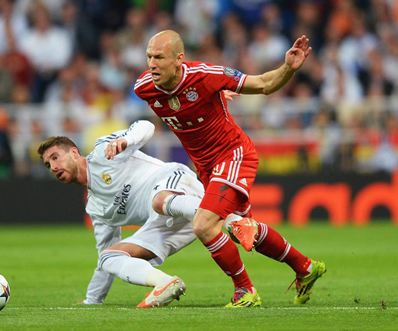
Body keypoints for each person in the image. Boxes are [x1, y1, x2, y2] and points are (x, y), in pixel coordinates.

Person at [134, 30, 326, 307]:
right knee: (241, 229)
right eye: (149, 57)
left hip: (233, 154)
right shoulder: (144, 87)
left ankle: (245, 291)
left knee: (203, 225)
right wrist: (213, 98)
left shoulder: (206, 75)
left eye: (159, 57)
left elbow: (263, 84)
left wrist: (288, 68)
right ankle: (306, 267)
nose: (152, 64)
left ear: (179, 59)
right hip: (206, 168)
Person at [37, 120, 205, 308]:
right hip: (171, 223)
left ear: (74, 153)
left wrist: (127, 139)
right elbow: (105, 252)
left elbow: (146, 126)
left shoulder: (103, 152)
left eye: (55, 157)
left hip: (177, 185)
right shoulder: (95, 207)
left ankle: (229, 219)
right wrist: (92, 300)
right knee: (109, 258)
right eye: (47, 164)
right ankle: (165, 282)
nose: (52, 167)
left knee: (160, 201)